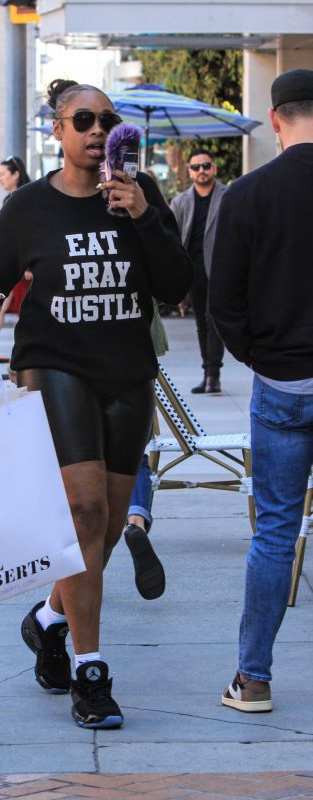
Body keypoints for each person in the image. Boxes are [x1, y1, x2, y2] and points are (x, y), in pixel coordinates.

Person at [0, 78, 192, 729]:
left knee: (97, 531)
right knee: (84, 509)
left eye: (106, 119)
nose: (96, 129)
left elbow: (176, 286)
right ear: (57, 129)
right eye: (82, 119)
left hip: (126, 372)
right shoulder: (28, 207)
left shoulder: (138, 196)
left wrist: (144, 217)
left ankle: (47, 620)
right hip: (55, 366)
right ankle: (90, 669)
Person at [209, 68, 313, 714]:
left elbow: (222, 302)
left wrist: (262, 357)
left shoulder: (245, 195)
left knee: (274, 532)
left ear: (275, 120)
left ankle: (252, 679)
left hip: (278, 381)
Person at [170, 150, 227, 394]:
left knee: (213, 320)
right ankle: (208, 373)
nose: (201, 170)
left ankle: (213, 374)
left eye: (206, 165)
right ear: (189, 172)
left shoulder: (229, 196)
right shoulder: (181, 202)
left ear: (214, 168)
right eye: (196, 167)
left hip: (221, 269)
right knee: (201, 324)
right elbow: (172, 239)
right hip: (193, 270)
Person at [123, 300, 168, 600]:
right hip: (135, 349)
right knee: (132, 455)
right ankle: (136, 520)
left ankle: (86, 549)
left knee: (80, 463)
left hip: (75, 359)